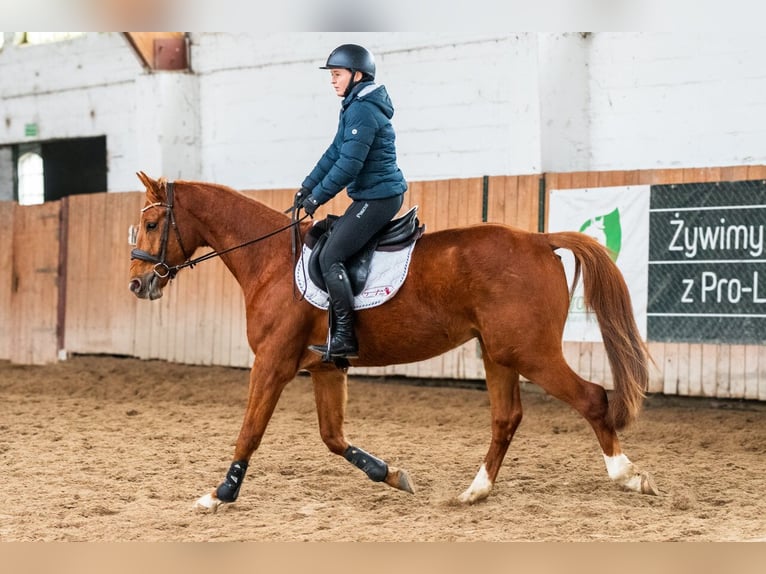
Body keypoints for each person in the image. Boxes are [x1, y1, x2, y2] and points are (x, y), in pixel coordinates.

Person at [296, 43, 408, 360]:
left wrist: (318, 197)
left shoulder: (362, 109)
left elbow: (349, 166)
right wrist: (307, 186)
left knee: (331, 255)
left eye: (337, 74)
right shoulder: (353, 105)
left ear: (357, 75)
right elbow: (334, 152)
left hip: (380, 197)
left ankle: (345, 337)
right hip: (371, 195)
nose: (332, 80)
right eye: (331, 75)